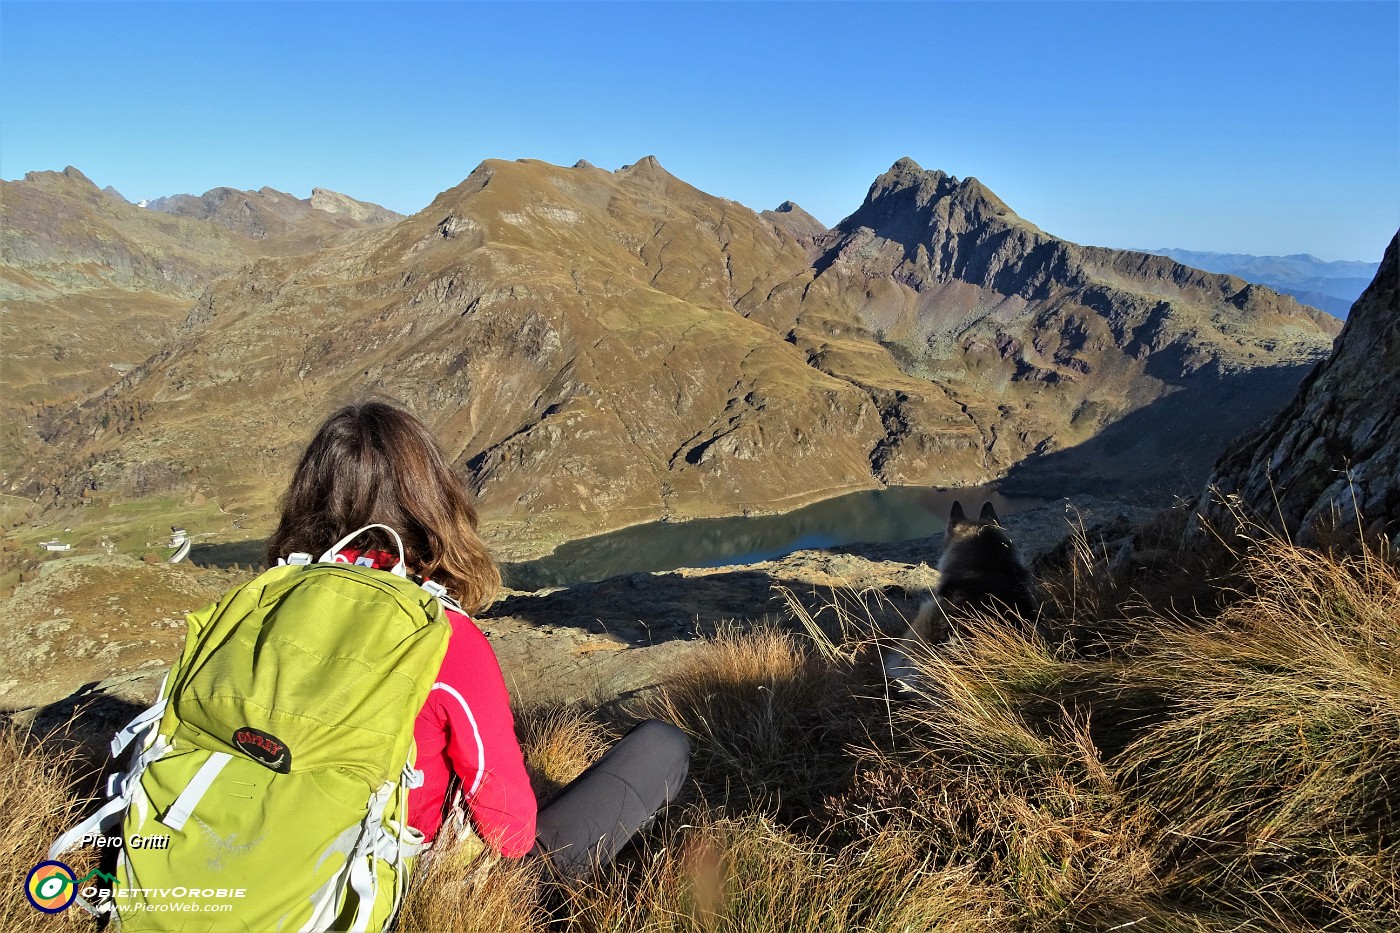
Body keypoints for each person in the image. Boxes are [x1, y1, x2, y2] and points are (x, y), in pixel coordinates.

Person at [265, 400, 690, 880]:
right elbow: (511, 834)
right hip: (396, 885)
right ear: (431, 503)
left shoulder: (254, 610)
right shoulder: (441, 639)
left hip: (253, 862)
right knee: (662, 746)